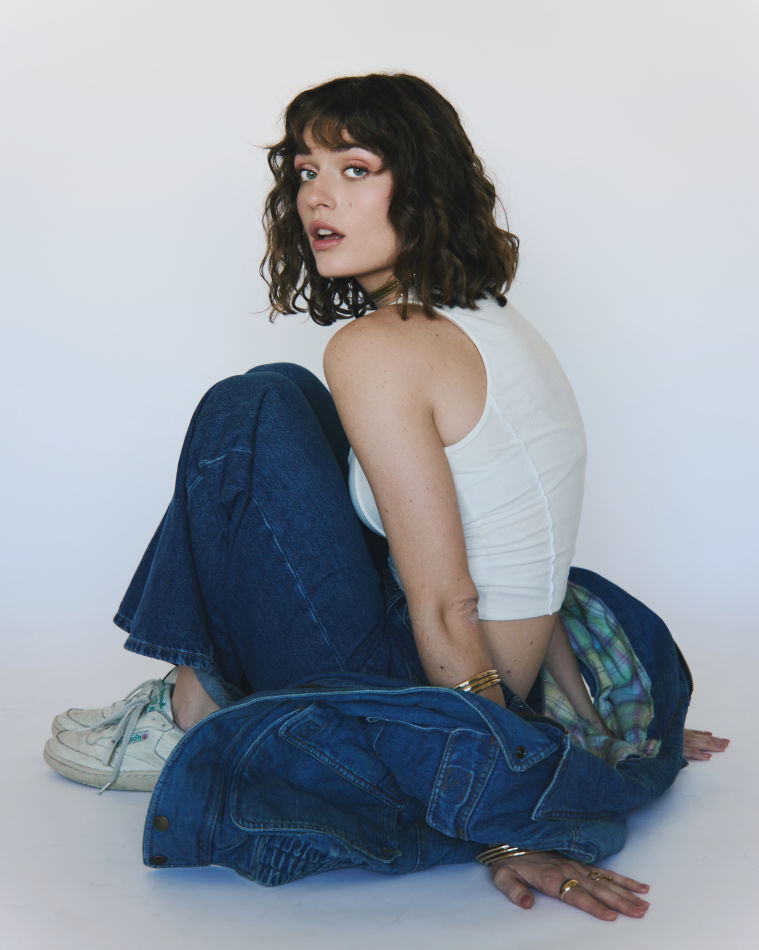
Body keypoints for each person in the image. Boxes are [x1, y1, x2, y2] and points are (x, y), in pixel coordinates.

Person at [44, 73, 727, 921]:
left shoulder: (380, 348)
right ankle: (199, 685)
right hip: (498, 672)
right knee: (280, 390)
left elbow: (448, 600)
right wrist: (587, 718)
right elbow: (528, 548)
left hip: (444, 690)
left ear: (423, 184)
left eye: (356, 169)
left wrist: (499, 817)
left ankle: (193, 706)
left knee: (244, 411)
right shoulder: (485, 322)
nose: (316, 197)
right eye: (305, 171)